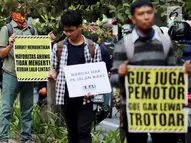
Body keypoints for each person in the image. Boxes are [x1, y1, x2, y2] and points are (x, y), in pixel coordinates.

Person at [110, 0, 191, 143]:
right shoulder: (124, 45)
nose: (146, 17)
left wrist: (183, 72)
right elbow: (114, 81)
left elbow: (172, 76)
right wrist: (121, 74)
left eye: (149, 13)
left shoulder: (165, 42)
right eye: (141, 14)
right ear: (133, 19)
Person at [0, 6, 56, 143]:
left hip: (28, 74)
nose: (22, 14)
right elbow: (1, 54)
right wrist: (10, 45)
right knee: (6, 108)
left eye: (24, 11)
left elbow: (37, 49)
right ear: (13, 12)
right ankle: (3, 138)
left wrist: (48, 42)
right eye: (19, 11)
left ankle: (26, 137)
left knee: (27, 108)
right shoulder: (7, 29)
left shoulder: (32, 29)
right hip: (11, 74)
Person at [48, 10, 102, 143]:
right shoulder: (59, 47)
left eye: (71, 30)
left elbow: (98, 75)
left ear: (80, 27)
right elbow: (55, 69)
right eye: (66, 31)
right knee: (72, 132)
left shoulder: (92, 48)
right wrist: (51, 75)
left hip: (86, 98)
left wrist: (93, 90)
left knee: (84, 132)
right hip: (66, 96)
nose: (68, 34)